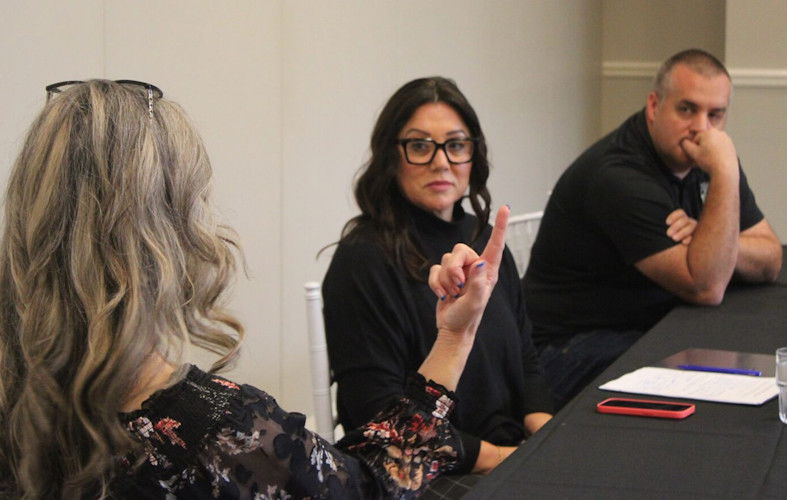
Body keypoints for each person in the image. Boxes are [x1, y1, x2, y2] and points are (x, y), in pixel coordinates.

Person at [0, 79, 507, 499]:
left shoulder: (19, 392)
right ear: (168, 232)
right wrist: (455, 338)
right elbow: (375, 487)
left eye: (456, 144)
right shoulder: (218, 430)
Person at [523, 49, 783, 407]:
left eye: (715, 114)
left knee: (755, 360)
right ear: (653, 105)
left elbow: (771, 258)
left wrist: (709, 240)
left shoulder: (710, 155)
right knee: (713, 384)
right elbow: (706, 287)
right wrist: (724, 176)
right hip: (565, 349)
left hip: (645, 322)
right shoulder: (619, 176)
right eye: (687, 109)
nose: (702, 128)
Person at [322, 77, 555, 476]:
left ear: (473, 155)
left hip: (510, 451)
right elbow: (374, 414)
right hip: (426, 472)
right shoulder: (361, 259)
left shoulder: (483, 239)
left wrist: (550, 439)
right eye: (419, 146)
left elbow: (526, 360)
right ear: (391, 157)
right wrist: (505, 459)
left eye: (456, 145)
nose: (441, 161)